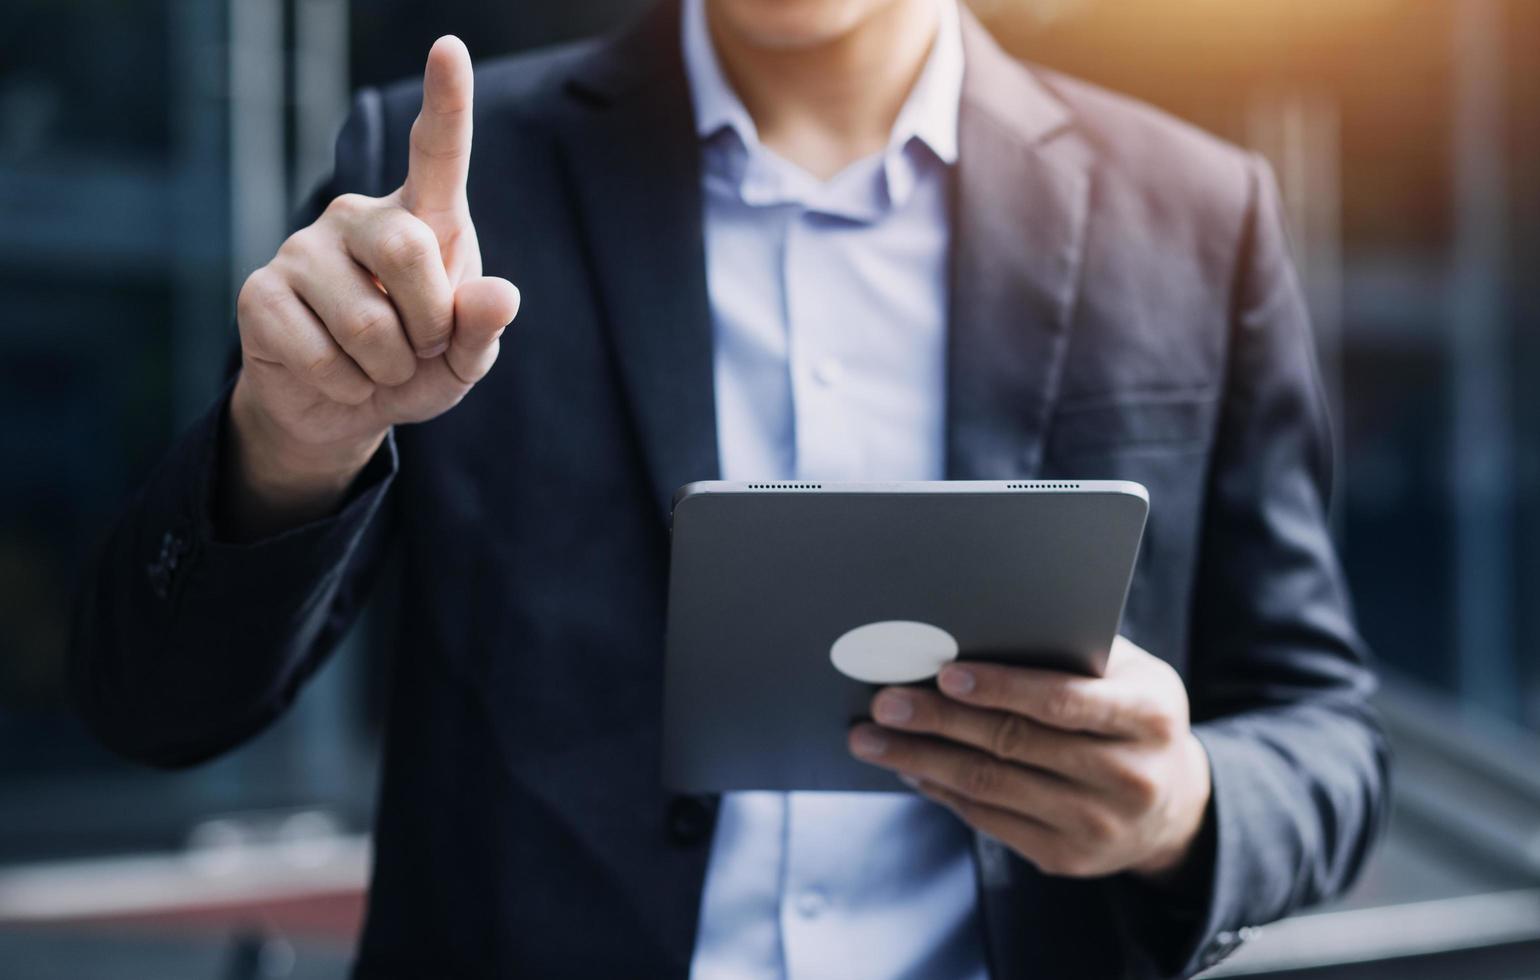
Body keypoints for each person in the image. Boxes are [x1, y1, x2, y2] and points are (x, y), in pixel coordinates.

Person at [70, 0, 1389, 976]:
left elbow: (1324, 732)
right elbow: (156, 707)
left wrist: (1185, 808)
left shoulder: (1197, 216)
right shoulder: (449, 187)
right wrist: (291, 446)